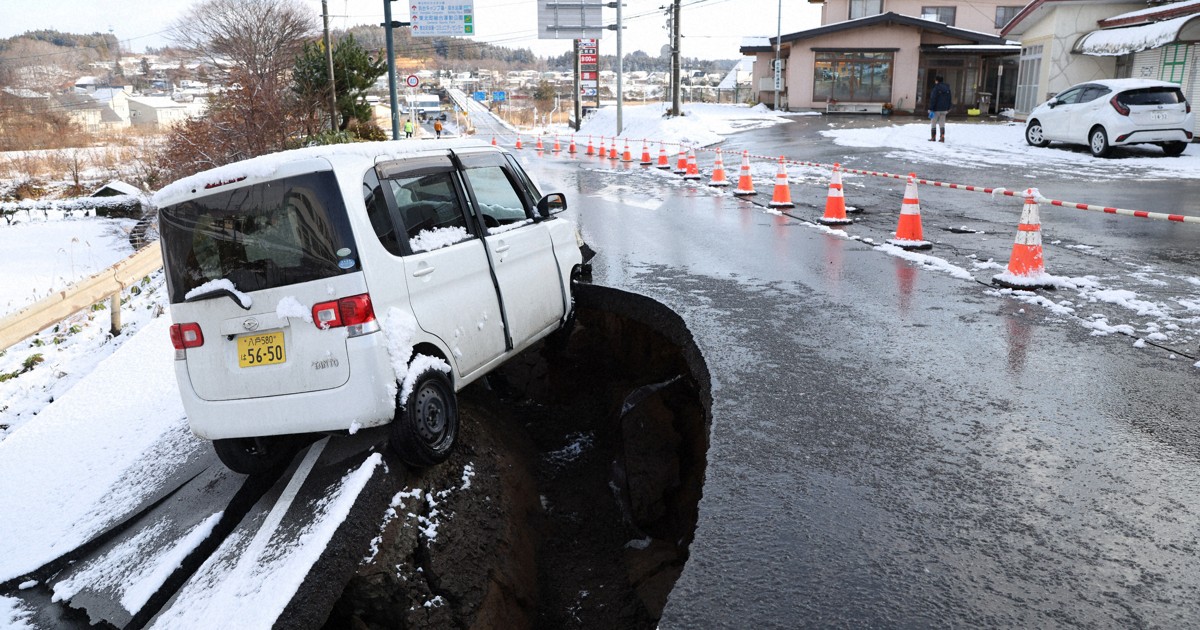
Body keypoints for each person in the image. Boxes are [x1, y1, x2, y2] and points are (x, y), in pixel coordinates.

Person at [928, 76, 952, 143]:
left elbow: (933, 99)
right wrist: (948, 108)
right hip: (944, 109)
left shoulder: (936, 88)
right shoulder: (947, 88)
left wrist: (931, 108)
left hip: (936, 109)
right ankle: (942, 137)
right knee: (942, 124)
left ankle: (933, 137)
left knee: (933, 123)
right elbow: (949, 98)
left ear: (936, 81)